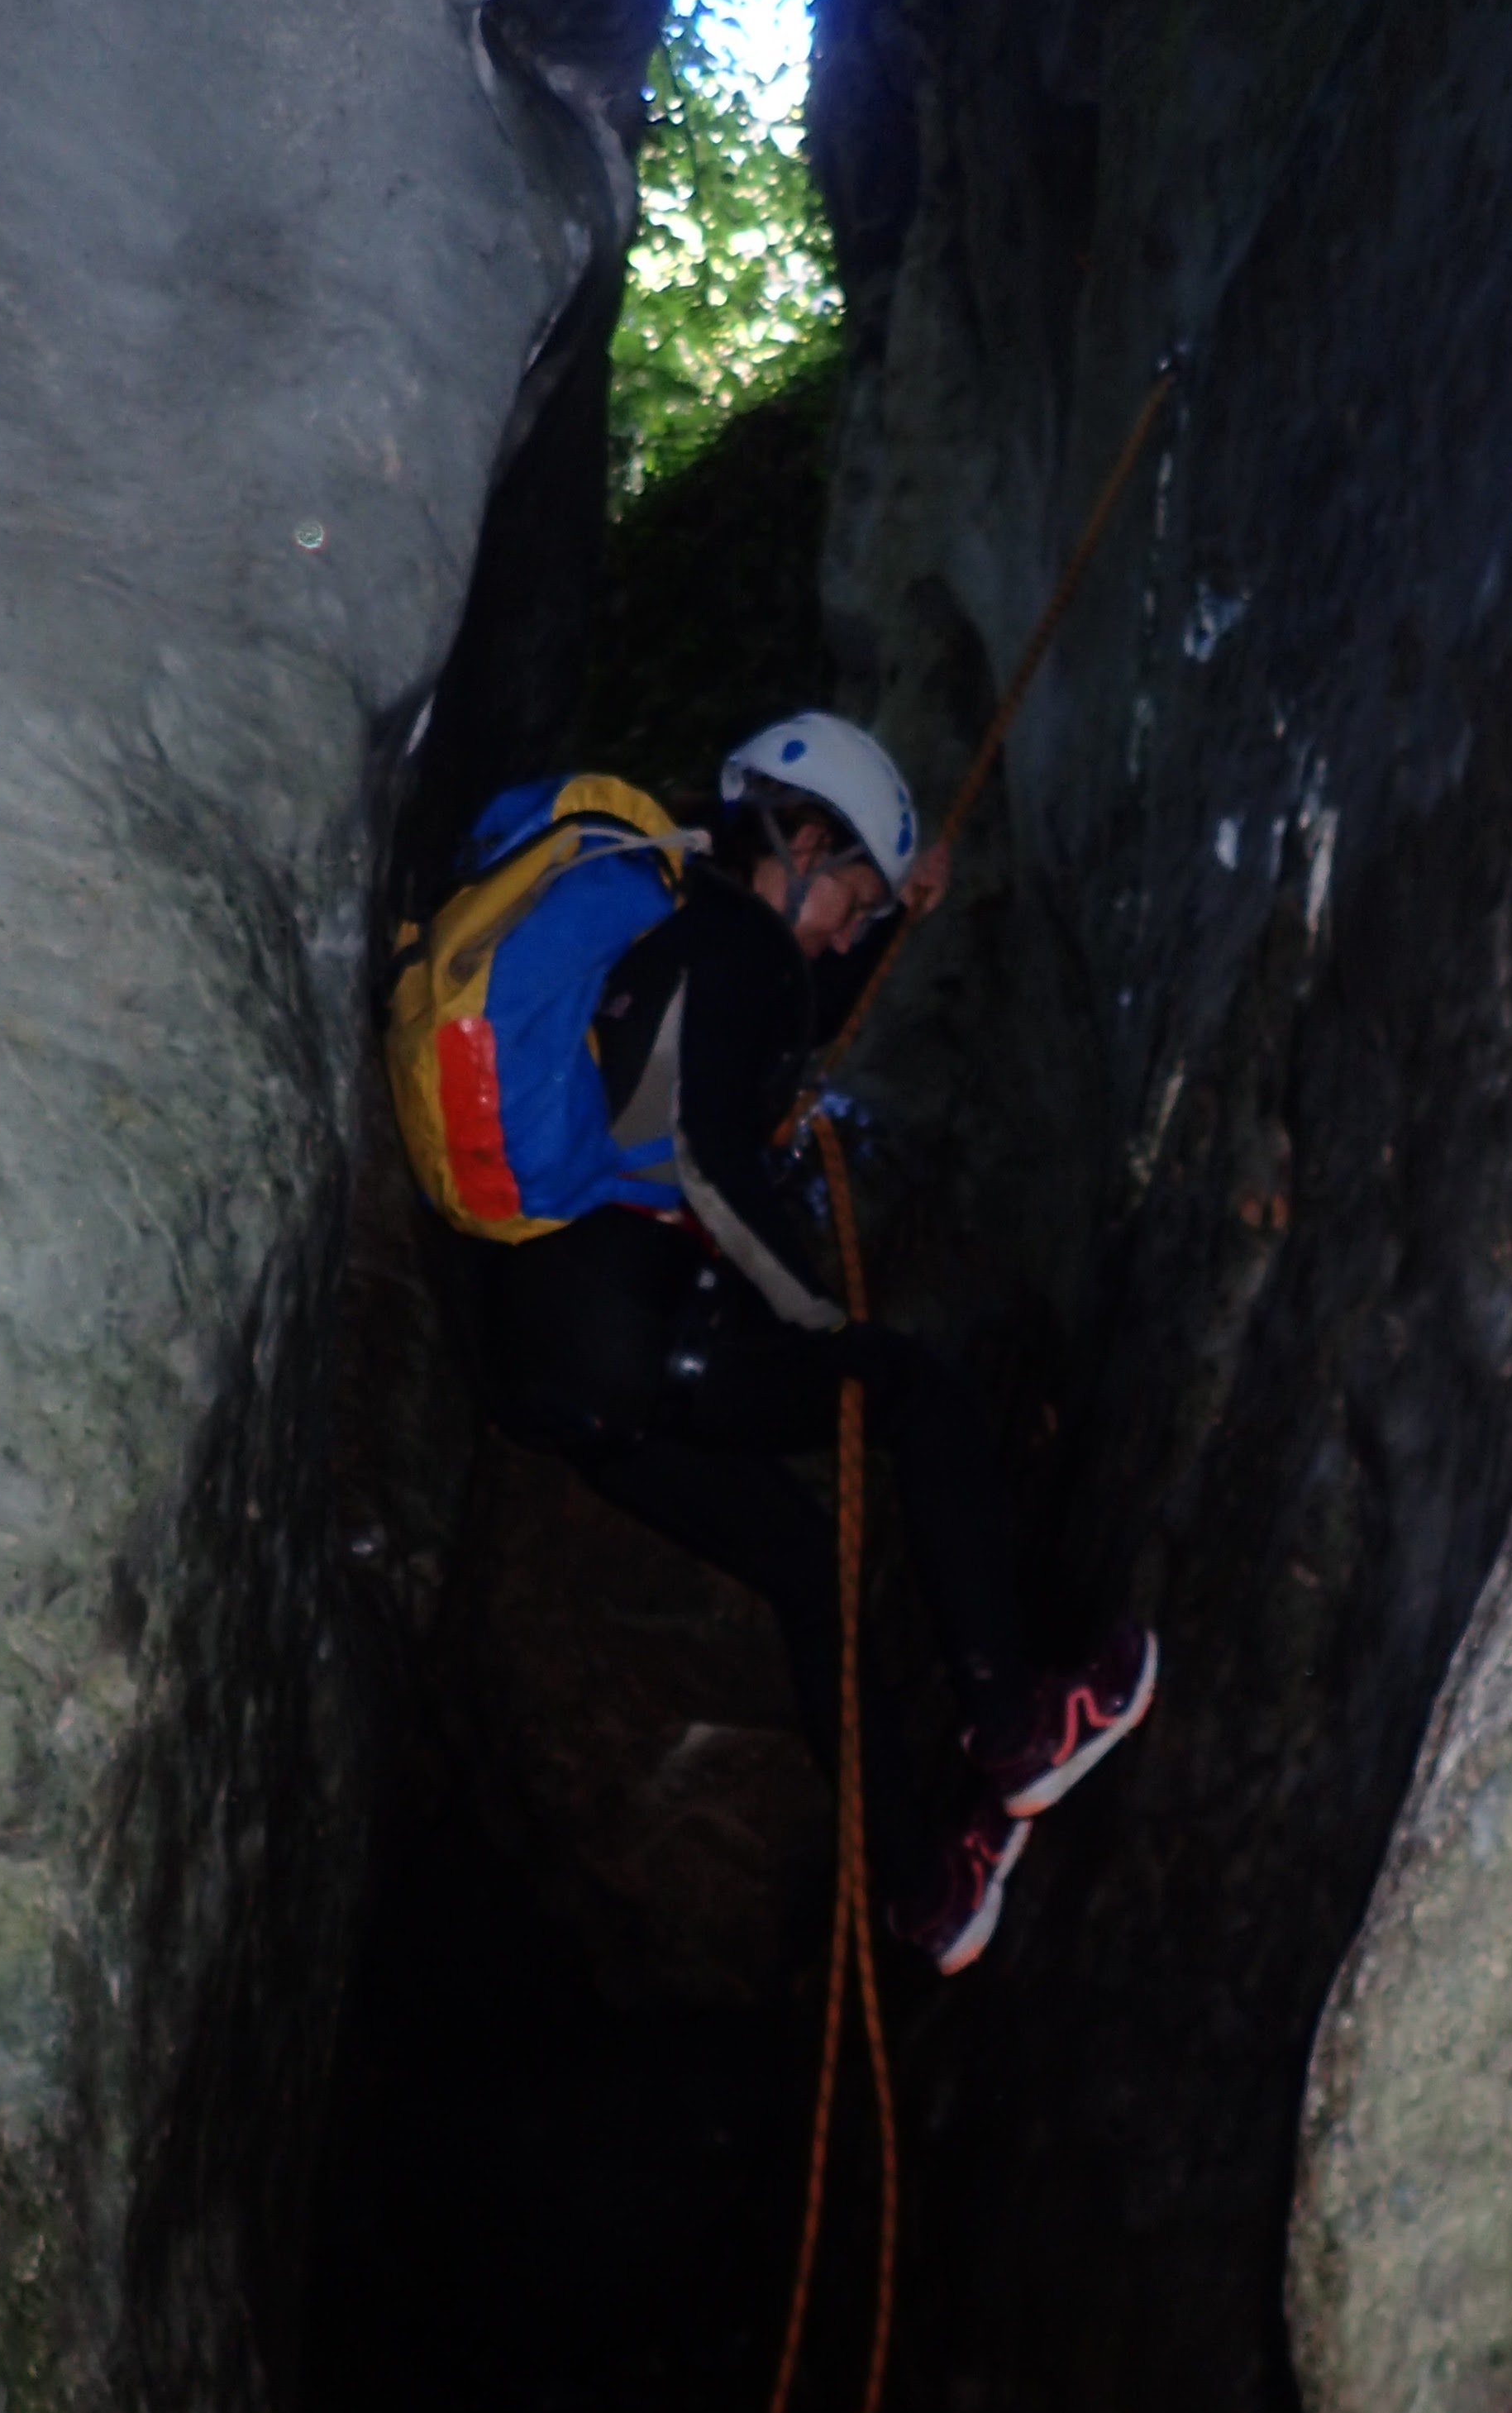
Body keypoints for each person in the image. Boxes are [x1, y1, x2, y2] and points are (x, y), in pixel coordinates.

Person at [405, 713, 1157, 1971]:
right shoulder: (732, 941)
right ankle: (1016, 1728)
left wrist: (897, 919)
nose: (846, 934)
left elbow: (773, 1025)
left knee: (811, 1570)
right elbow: (709, 1155)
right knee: (917, 1391)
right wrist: (821, 1322)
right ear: (803, 847)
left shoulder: (683, 933)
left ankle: (928, 1894)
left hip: (551, 1365)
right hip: (633, 1331)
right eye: (850, 903)